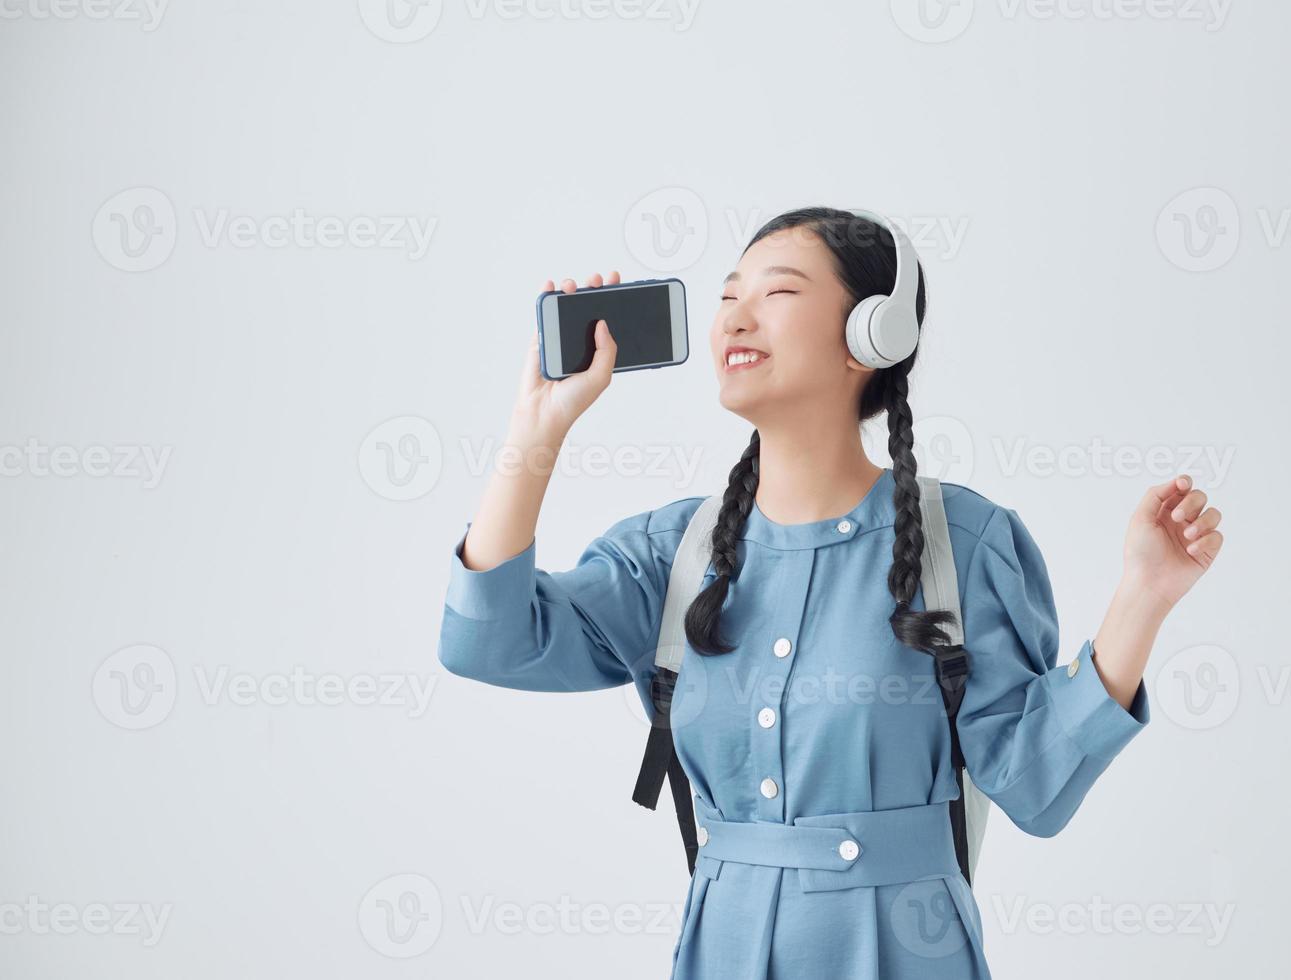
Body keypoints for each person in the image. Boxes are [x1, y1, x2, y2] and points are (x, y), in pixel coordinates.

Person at [436, 206, 1225, 979]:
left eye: (775, 294)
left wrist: (1142, 598)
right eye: (725, 297)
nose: (734, 319)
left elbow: (1037, 788)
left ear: (870, 337)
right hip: (723, 950)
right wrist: (534, 432)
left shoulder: (966, 545)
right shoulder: (667, 554)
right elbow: (488, 641)